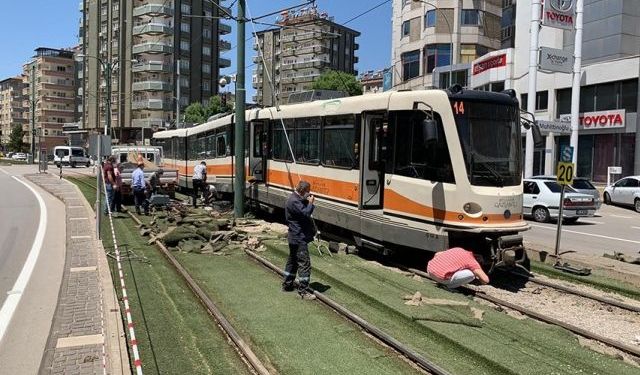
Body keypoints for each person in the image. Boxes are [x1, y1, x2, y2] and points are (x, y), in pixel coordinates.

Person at [282, 181, 317, 300]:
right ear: (302, 191)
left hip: (293, 236)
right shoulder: (294, 201)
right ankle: (303, 291)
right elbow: (306, 213)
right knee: (304, 264)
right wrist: (311, 203)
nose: (308, 193)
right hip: (299, 237)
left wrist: (306, 200)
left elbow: (300, 210)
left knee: (292, 262)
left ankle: (287, 285)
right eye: (307, 191)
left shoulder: (294, 199)